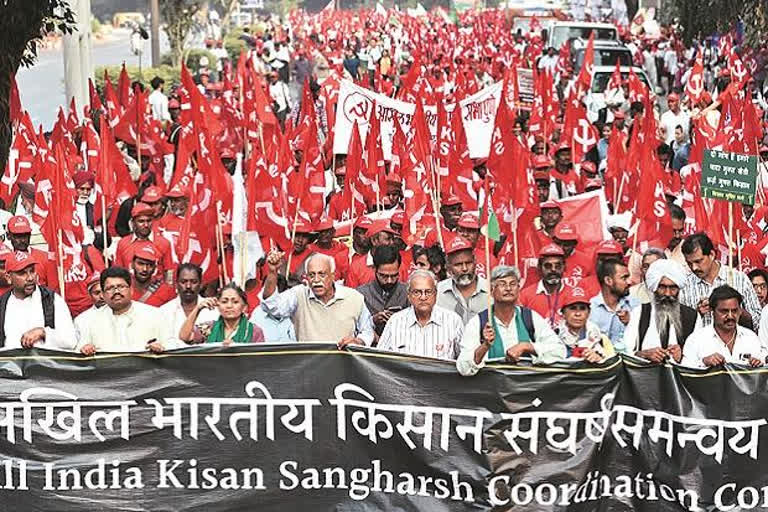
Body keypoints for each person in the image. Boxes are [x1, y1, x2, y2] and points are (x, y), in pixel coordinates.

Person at [457, 266, 564, 376]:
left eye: (513, 284)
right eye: (502, 284)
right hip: (491, 389)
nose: (508, 288)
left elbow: (560, 351)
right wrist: (485, 346)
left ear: (518, 288)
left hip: (527, 387)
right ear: (491, 290)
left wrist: (527, 346)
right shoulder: (478, 322)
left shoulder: (530, 317)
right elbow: (464, 368)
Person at [261, 252, 374, 346]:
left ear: (333, 276)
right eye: (311, 275)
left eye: (322, 274)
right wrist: (272, 272)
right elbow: (272, 306)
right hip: (309, 365)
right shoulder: (299, 294)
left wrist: (358, 341)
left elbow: (367, 331)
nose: (316, 280)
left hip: (343, 365)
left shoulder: (354, 298)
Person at [78, 267, 178, 354]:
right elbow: (80, 351)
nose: (116, 292)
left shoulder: (154, 315)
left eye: (121, 287)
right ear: (103, 295)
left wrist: (161, 348)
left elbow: (172, 347)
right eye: (110, 288)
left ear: (131, 290)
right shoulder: (91, 321)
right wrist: (85, 349)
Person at [624, 259, 702, 362]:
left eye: (673, 288)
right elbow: (626, 353)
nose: (667, 294)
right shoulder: (639, 313)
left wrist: (682, 356)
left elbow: (699, 358)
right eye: (662, 287)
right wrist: (644, 354)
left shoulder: (693, 316)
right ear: (655, 287)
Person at [679, 233, 761, 328]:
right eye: (689, 263)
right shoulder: (684, 286)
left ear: (712, 255)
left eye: (698, 261)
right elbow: (681, 328)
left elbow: (757, 321)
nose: (694, 267)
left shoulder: (739, 279)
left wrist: (735, 310)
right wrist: (695, 315)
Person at [377, 270, 464, 359]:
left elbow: (464, 360)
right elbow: (379, 359)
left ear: (436, 294)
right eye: (417, 292)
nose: (423, 297)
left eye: (428, 292)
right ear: (409, 295)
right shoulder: (395, 322)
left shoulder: (453, 321)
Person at [0, 251, 76, 350]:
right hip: (10, 364)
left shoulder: (52, 300)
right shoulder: (2, 305)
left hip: (46, 364)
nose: (30, 278)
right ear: (9, 278)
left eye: (32, 271)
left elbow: (71, 341)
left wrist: (44, 332)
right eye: (22, 273)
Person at [682, 286, 765, 368]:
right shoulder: (696, 339)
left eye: (734, 311)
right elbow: (684, 372)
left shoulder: (751, 338)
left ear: (740, 310)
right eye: (724, 311)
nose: (730, 316)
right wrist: (703, 362)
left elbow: (762, 371)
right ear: (712, 311)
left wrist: (757, 363)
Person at [179, 283, 265, 344]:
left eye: (235, 302)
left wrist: (237, 349)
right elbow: (185, 337)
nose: (229, 306)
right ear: (218, 305)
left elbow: (258, 360)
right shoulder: (209, 328)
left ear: (244, 307)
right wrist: (198, 308)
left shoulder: (254, 331)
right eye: (224, 301)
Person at [159, 263, 219, 345]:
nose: (188, 286)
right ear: (176, 284)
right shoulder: (164, 311)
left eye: (194, 282)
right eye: (183, 282)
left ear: (201, 284)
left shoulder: (214, 310)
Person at [114, 202, 174, 282]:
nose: (146, 225)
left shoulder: (164, 243)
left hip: (156, 291)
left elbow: (169, 272)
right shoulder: (123, 243)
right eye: (141, 221)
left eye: (149, 221)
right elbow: (118, 274)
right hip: (131, 291)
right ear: (133, 223)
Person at [357, 245, 409, 337]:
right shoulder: (360, 294)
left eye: (394, 276)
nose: (389, 281)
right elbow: (356, 328)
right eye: (384, 276)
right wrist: (373, 320)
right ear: (374, 269)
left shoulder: (408, 292)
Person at [436, 236, 490, 324]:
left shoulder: (491, 290)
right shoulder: (438, 292)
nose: (464, 268)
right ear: (448, 268)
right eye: (458, 265)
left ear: (475, 263)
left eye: (468, 263)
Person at [555, 286, 614, 363]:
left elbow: (611, 365)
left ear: (589, 313)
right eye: (573, 308)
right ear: (563, 313)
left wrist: (599, 359)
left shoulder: (600, 338)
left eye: (582, 308)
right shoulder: (553, 337)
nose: (578, 313)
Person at [589, 259, 638, 347]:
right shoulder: (590, 309)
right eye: (624, 278)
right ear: (608, 280)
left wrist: (631, 321)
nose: (629, 282)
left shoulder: (635, 306)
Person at [519, 244, 568, 327]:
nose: (553, 269)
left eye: (558, 266)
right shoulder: (525, 295)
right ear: (539, 268)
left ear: (564, 267)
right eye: (548, 266)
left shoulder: (573, 294)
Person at [6, 215, 50, 286]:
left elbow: (52, 290)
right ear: (8, 236)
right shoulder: (4, 261)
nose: (23, 240)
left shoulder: (45, 258)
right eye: (18, 236)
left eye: (26, 235)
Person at [129, 242, 176, 307]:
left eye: (150, 265)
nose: (145, 269)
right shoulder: (122, 287)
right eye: (140, 263)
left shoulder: (167, 291)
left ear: (155, 268)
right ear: (132, 264)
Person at [74, 273, 105, 343]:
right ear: (90, 295)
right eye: (97, 293)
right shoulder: (81, 320)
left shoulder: (120, 312)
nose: (102, 297)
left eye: (104, 291)